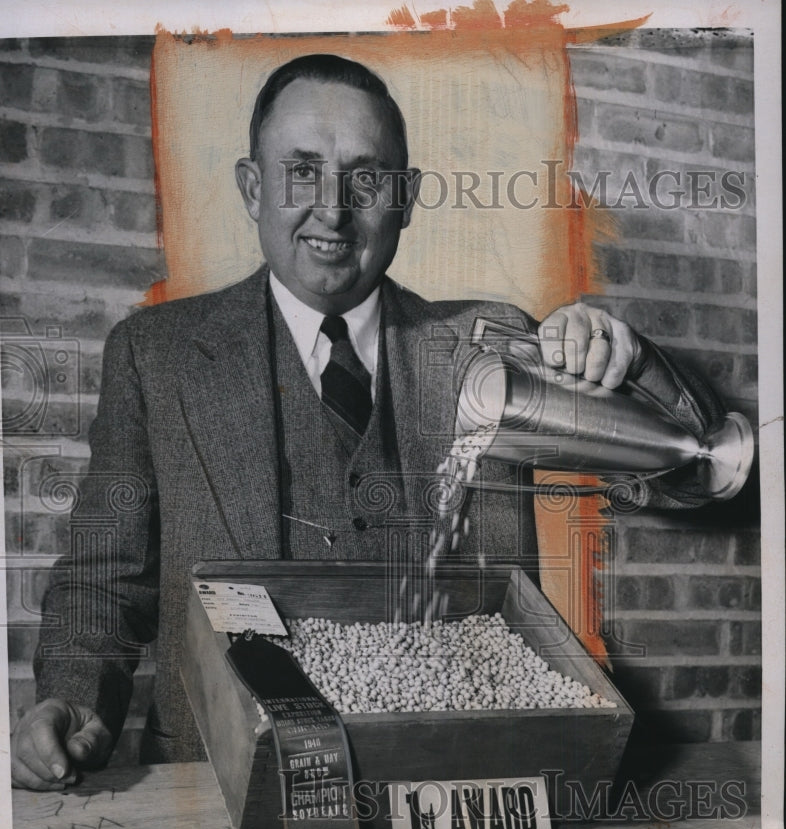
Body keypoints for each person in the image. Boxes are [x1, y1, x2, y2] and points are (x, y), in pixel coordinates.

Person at [10, 54, 724, 791]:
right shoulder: (153, 354)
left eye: (366, 177)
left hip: (464, 788)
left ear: (407, 198)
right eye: (302, 170)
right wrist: (69, 701)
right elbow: (105, 579)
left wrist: (629, 362)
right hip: (224, 789)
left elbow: (694, 478)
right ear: (253, 189)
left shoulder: (494, 347)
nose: (333, 209)